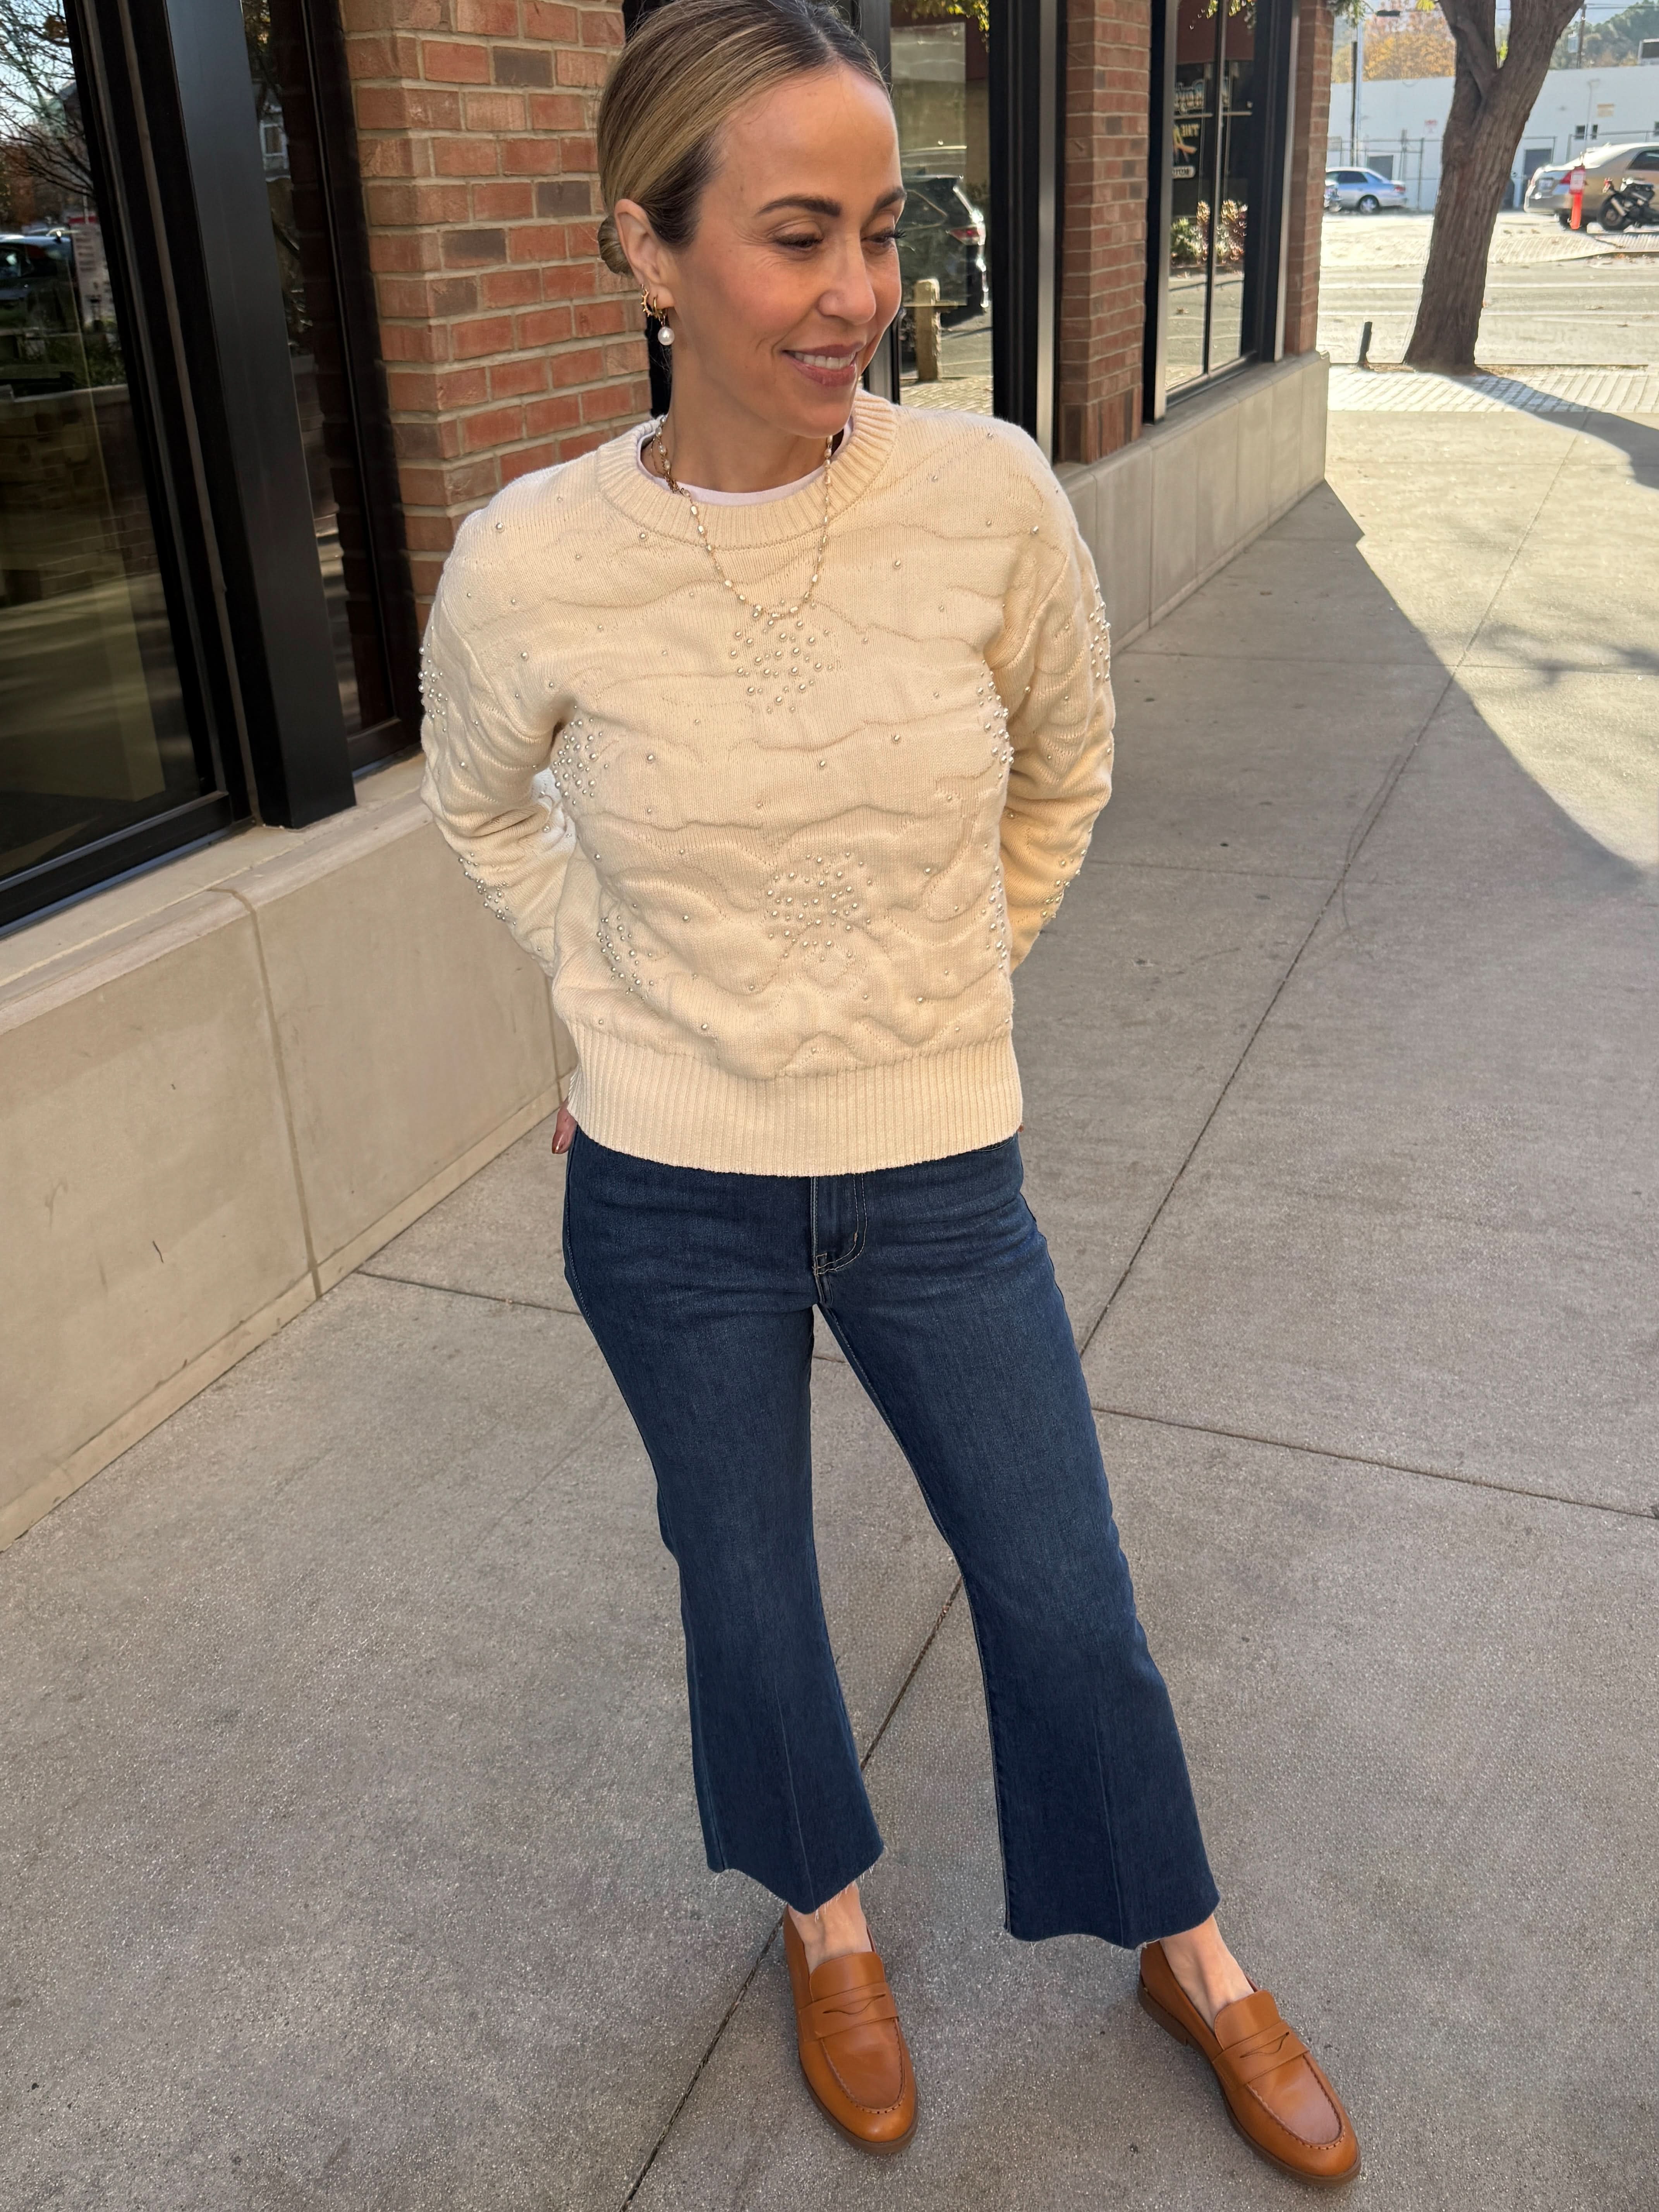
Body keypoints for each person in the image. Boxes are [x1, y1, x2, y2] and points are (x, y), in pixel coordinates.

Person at [418, 0, 1359, 2183]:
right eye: (795, 236)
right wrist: (609, 1003)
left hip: (940, 1169)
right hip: (667, 1192)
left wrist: (948, 986)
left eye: (884, 228)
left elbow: (1070, 766)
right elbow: (482, 813)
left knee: (1059, 1585)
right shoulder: (532, 561)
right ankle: (825, 1922)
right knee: (743, 1586)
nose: (861, 291)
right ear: (648, 255)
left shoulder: (987, 499)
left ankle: (1184, 1942)